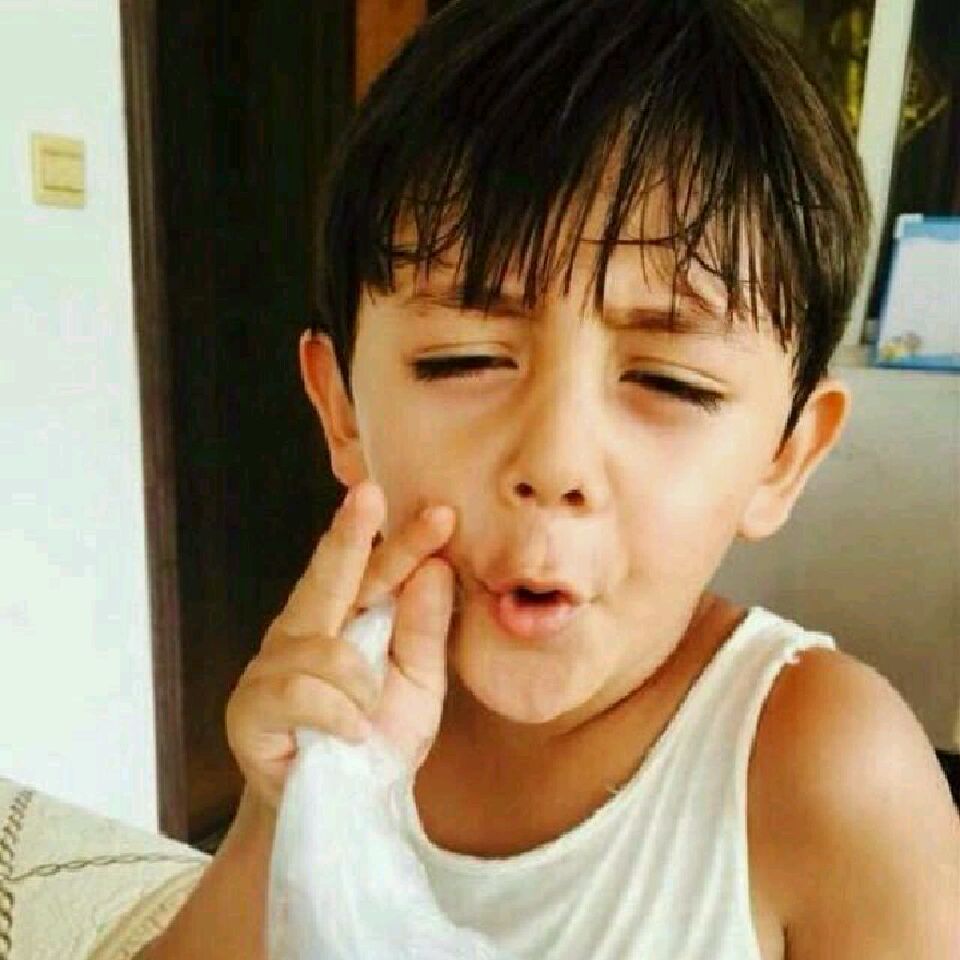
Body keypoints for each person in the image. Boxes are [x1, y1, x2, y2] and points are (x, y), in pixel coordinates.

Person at [144, 1, 960, 956]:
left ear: (784, 456)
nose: (554, 463)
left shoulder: (827, 769)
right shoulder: (338, 711)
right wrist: (284, 809)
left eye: (671, 382)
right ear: (342, 411)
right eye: (462, 361)